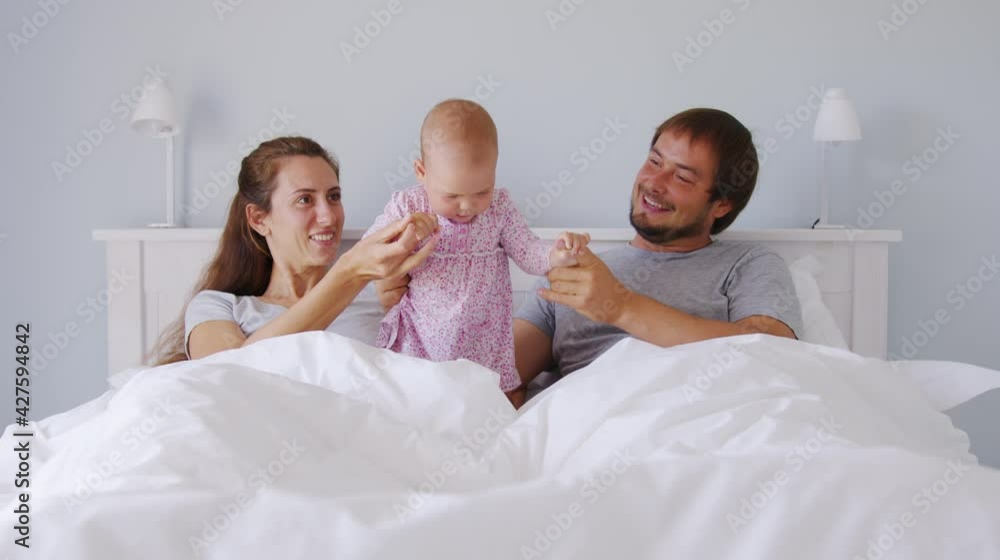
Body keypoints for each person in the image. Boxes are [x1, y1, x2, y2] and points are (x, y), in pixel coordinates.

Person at [509, 108, 804, 406]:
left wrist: (621, 305)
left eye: (683, 177)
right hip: (591, 427)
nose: (654, 182)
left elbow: (773, 352)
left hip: (699, 419)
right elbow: (493, 378)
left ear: (722, 205)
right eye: (654, 161)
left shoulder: (748, 262)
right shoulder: (572, 271)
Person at [366, 99, 590, 392]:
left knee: (488, 395)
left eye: (482, 190)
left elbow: (527, 251)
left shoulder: (499, 207)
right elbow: (368, 250)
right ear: (422, 172)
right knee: (417, 392)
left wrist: (556, 254)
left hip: (483, 335)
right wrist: (402, 235)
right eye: (452, 195)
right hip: (423, 334)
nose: (467, 206)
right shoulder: (409, 205)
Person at [154, 136, 437, 365]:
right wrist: (349, 273)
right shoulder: (219, 306)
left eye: (333, 197)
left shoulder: (380, 295)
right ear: (259, 219)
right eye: (304, 200)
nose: (328, 216)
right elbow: (230, 374)